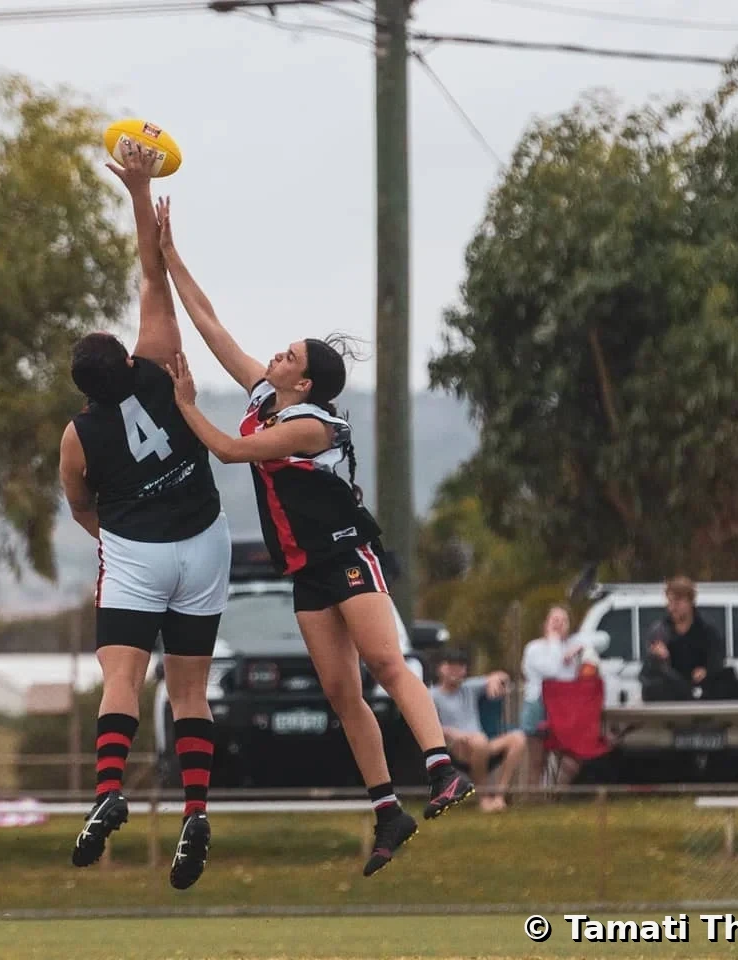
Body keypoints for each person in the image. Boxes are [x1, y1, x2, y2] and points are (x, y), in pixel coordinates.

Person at [155, 198, 473, 878]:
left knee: (388, 665)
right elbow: (210, 325)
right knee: (339, 692)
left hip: (346, 554)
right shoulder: (265, 396)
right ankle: (388, 809)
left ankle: (444, 768)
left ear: (304, 381)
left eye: (289, 354)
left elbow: (230, 453)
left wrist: (185, 407)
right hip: (304, 571)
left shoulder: (311, 426)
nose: (274, 354)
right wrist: (169, 253)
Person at [58, 143, 229, 890]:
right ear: (124, 360)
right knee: (190, 690)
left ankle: (106, 792)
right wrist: (139, 195)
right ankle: (195, 807)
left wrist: (118, 538)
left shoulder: (77, 434)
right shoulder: (159, 364)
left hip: (135, 553)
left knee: (121, 680)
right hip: (205, 544)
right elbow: (151, 275)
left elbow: (79, 505)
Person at [430, 647, 525, 812]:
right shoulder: (431, 694)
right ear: (440, 668)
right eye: (451, 666)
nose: (455, 670)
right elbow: (430, 726)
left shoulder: (469, 687)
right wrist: (453, 733)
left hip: (481, 742)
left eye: (460, 666)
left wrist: (494, 680)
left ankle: (499, 796)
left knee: (518, 737)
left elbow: (503, 675)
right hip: (456, 745)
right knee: (479, 741)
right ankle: (484, 798)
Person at [520, 605, 605, 788]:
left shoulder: (572, 645)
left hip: (566, 709)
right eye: (554, 620)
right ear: (546, 624)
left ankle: (555, 796)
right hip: (538, 706)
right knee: (536, 761)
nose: (558, 624)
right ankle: (531, 801)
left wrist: (581, 646)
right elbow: (552, 670)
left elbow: (603, 639)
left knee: (572, 757)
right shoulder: (534, 648)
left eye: (563, 621)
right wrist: (554, 642)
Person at [640, 577, 738, 702]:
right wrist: (659, 657)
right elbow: (649, 671)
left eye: (677, 602)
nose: (672, 607)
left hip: (704, 692)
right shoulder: (659, 632)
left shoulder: (707, 631)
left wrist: (706, 671)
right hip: (672, 693)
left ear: (691, 601)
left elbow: (716, 659)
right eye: (669, 602)